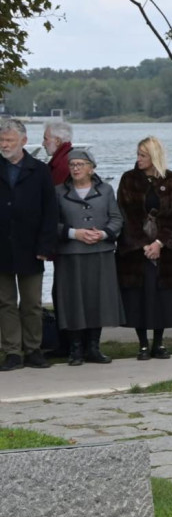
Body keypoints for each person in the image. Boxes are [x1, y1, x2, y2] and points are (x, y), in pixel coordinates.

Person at [117, 137, 172, 360]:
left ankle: (159, 342)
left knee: (163, 297)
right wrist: (143, 244)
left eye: (143, 155)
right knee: (139, 295)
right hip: (136, 250)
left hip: (165, 249)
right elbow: (126, 215)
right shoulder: (129, 180)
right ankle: (143, 343)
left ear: (154, 156)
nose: (138, 159)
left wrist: (160, 242)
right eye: (138, 154)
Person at [53, 148, 124, 365]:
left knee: (98, 299)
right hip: (71, 254)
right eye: (72, 165)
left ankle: (93, 347)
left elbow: (116, 218)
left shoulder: (106, 190)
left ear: (91, 168)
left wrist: (102, 234)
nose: (75, 168)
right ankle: (75, 350)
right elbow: (51, 223)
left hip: (100, 252)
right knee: (73, 299)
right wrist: (75, 233)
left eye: (80, 164)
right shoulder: (58, 192)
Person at [0, 118, 59, 371]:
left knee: (32, 302)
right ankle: (12, 351)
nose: (4, 145)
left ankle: (34, 349)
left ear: (23, 141)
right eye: (1, 140)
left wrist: (46, 246)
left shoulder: (39, 170)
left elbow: (50, 211)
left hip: (32, 247)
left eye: (9, 140)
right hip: (2, 247)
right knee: (5, 303)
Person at [43, 120, 74, 186]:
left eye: (46, 139)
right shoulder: (68, 157)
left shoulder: (62, 165)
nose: (43, 144)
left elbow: (56, 193)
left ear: (57, 141)